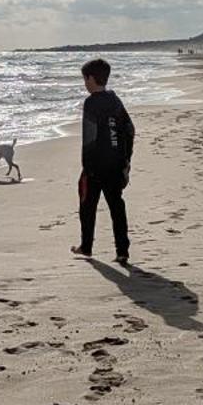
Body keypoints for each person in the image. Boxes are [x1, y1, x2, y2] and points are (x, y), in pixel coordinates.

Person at [72, 57, 135, 264]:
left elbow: (89, 136)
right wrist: (126, 159)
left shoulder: (91, 103)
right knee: (116, 207)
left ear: (91, 79)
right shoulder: (115, 101)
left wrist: (86, 166)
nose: (85, 83)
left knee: (87, 206)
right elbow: (129, 130)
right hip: (116, 164)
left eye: (85, 79)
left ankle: (86, 246)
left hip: (95, 167)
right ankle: (122, 251)